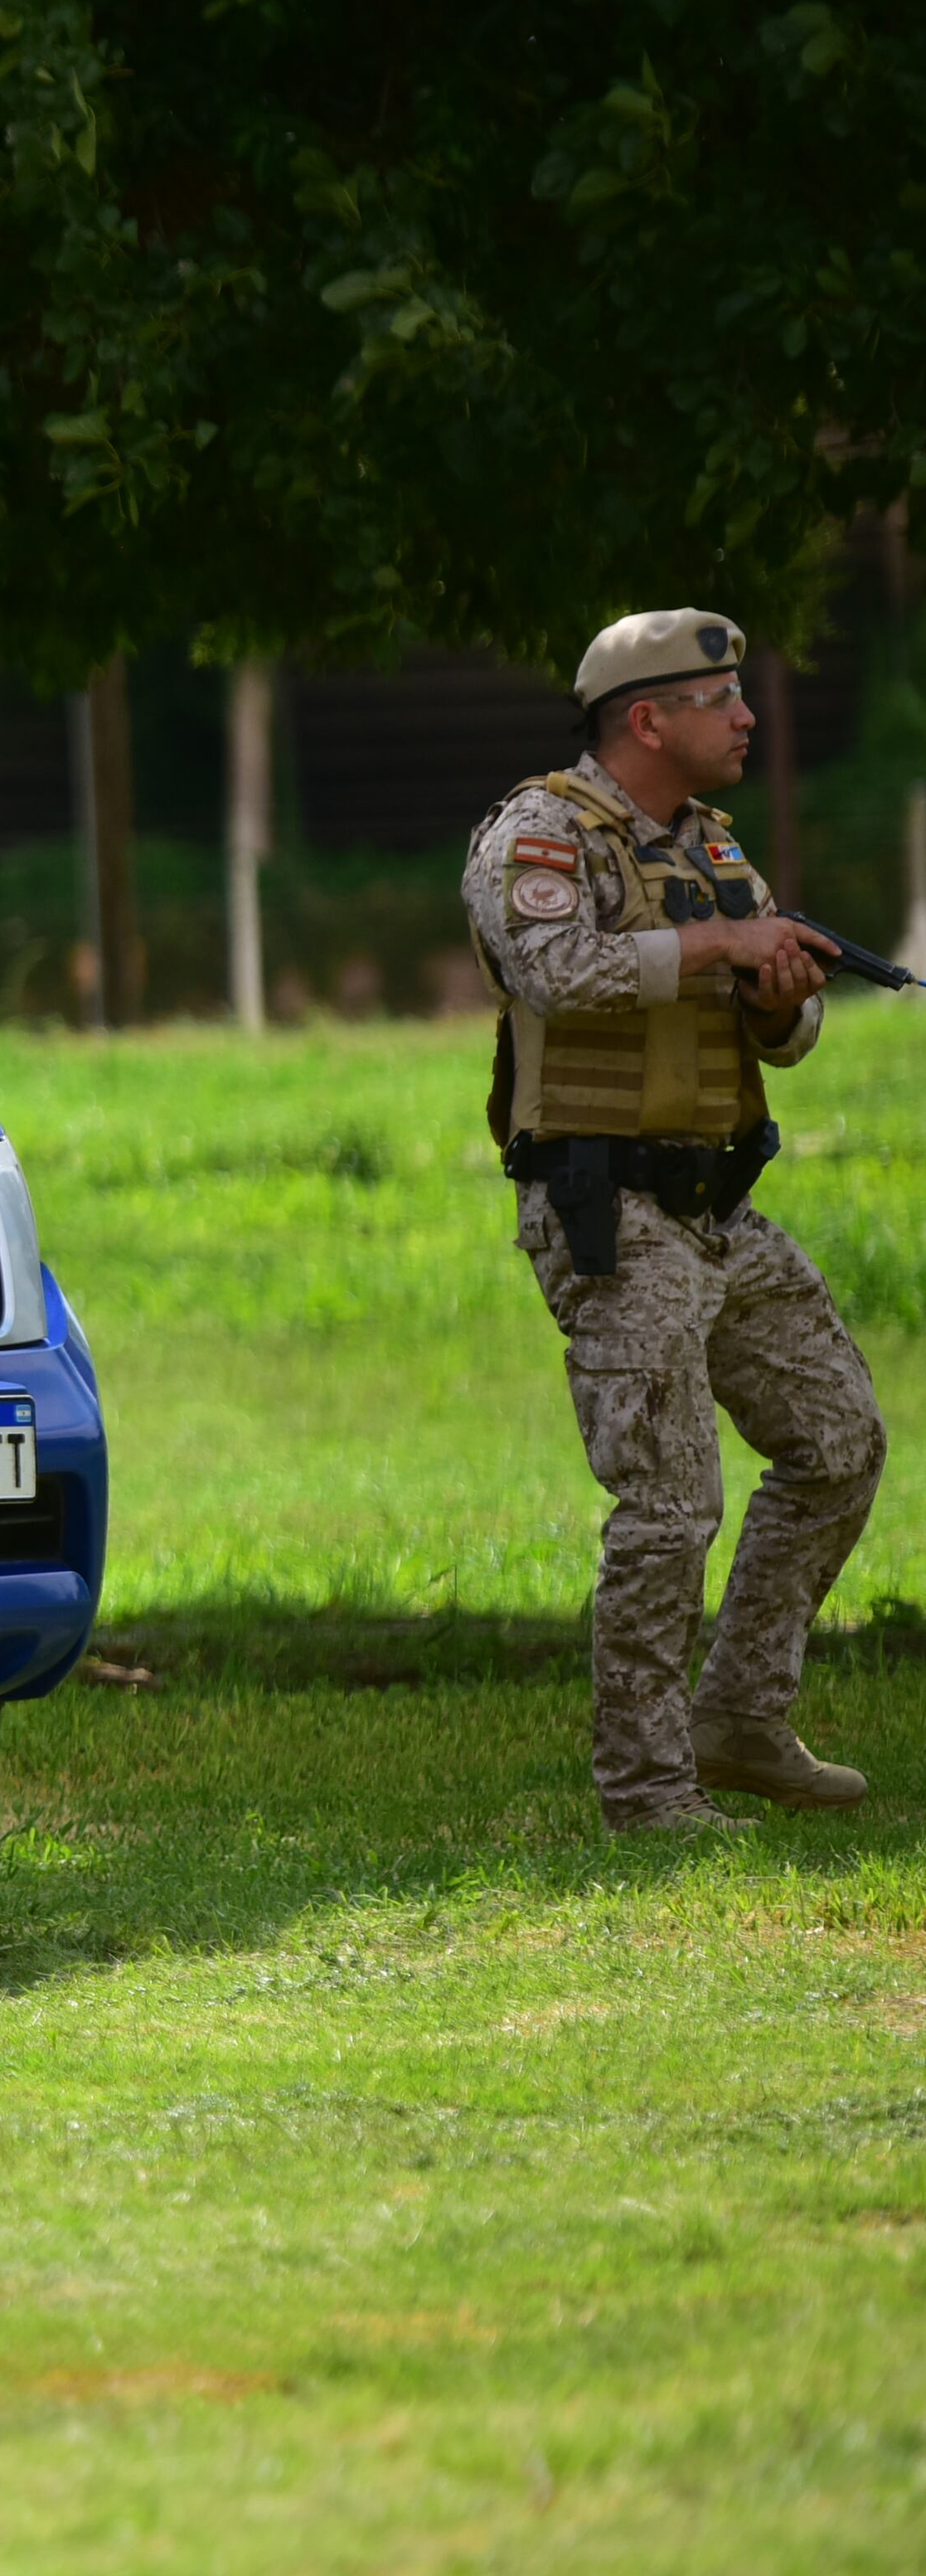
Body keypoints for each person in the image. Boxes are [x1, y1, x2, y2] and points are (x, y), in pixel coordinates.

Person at [463, 607, 881, 1833]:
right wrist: (721, 944)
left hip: (717, 1205)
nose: (746, 716)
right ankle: (648, 1789)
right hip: (608, 1207)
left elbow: (787, 1037)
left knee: (839, 1442)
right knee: (670, 1503)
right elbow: (553, 973)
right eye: (719, 697)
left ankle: (741, 1719)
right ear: (648, 718)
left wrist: (777, 997)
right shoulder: (538, 834)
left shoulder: (711, 845)